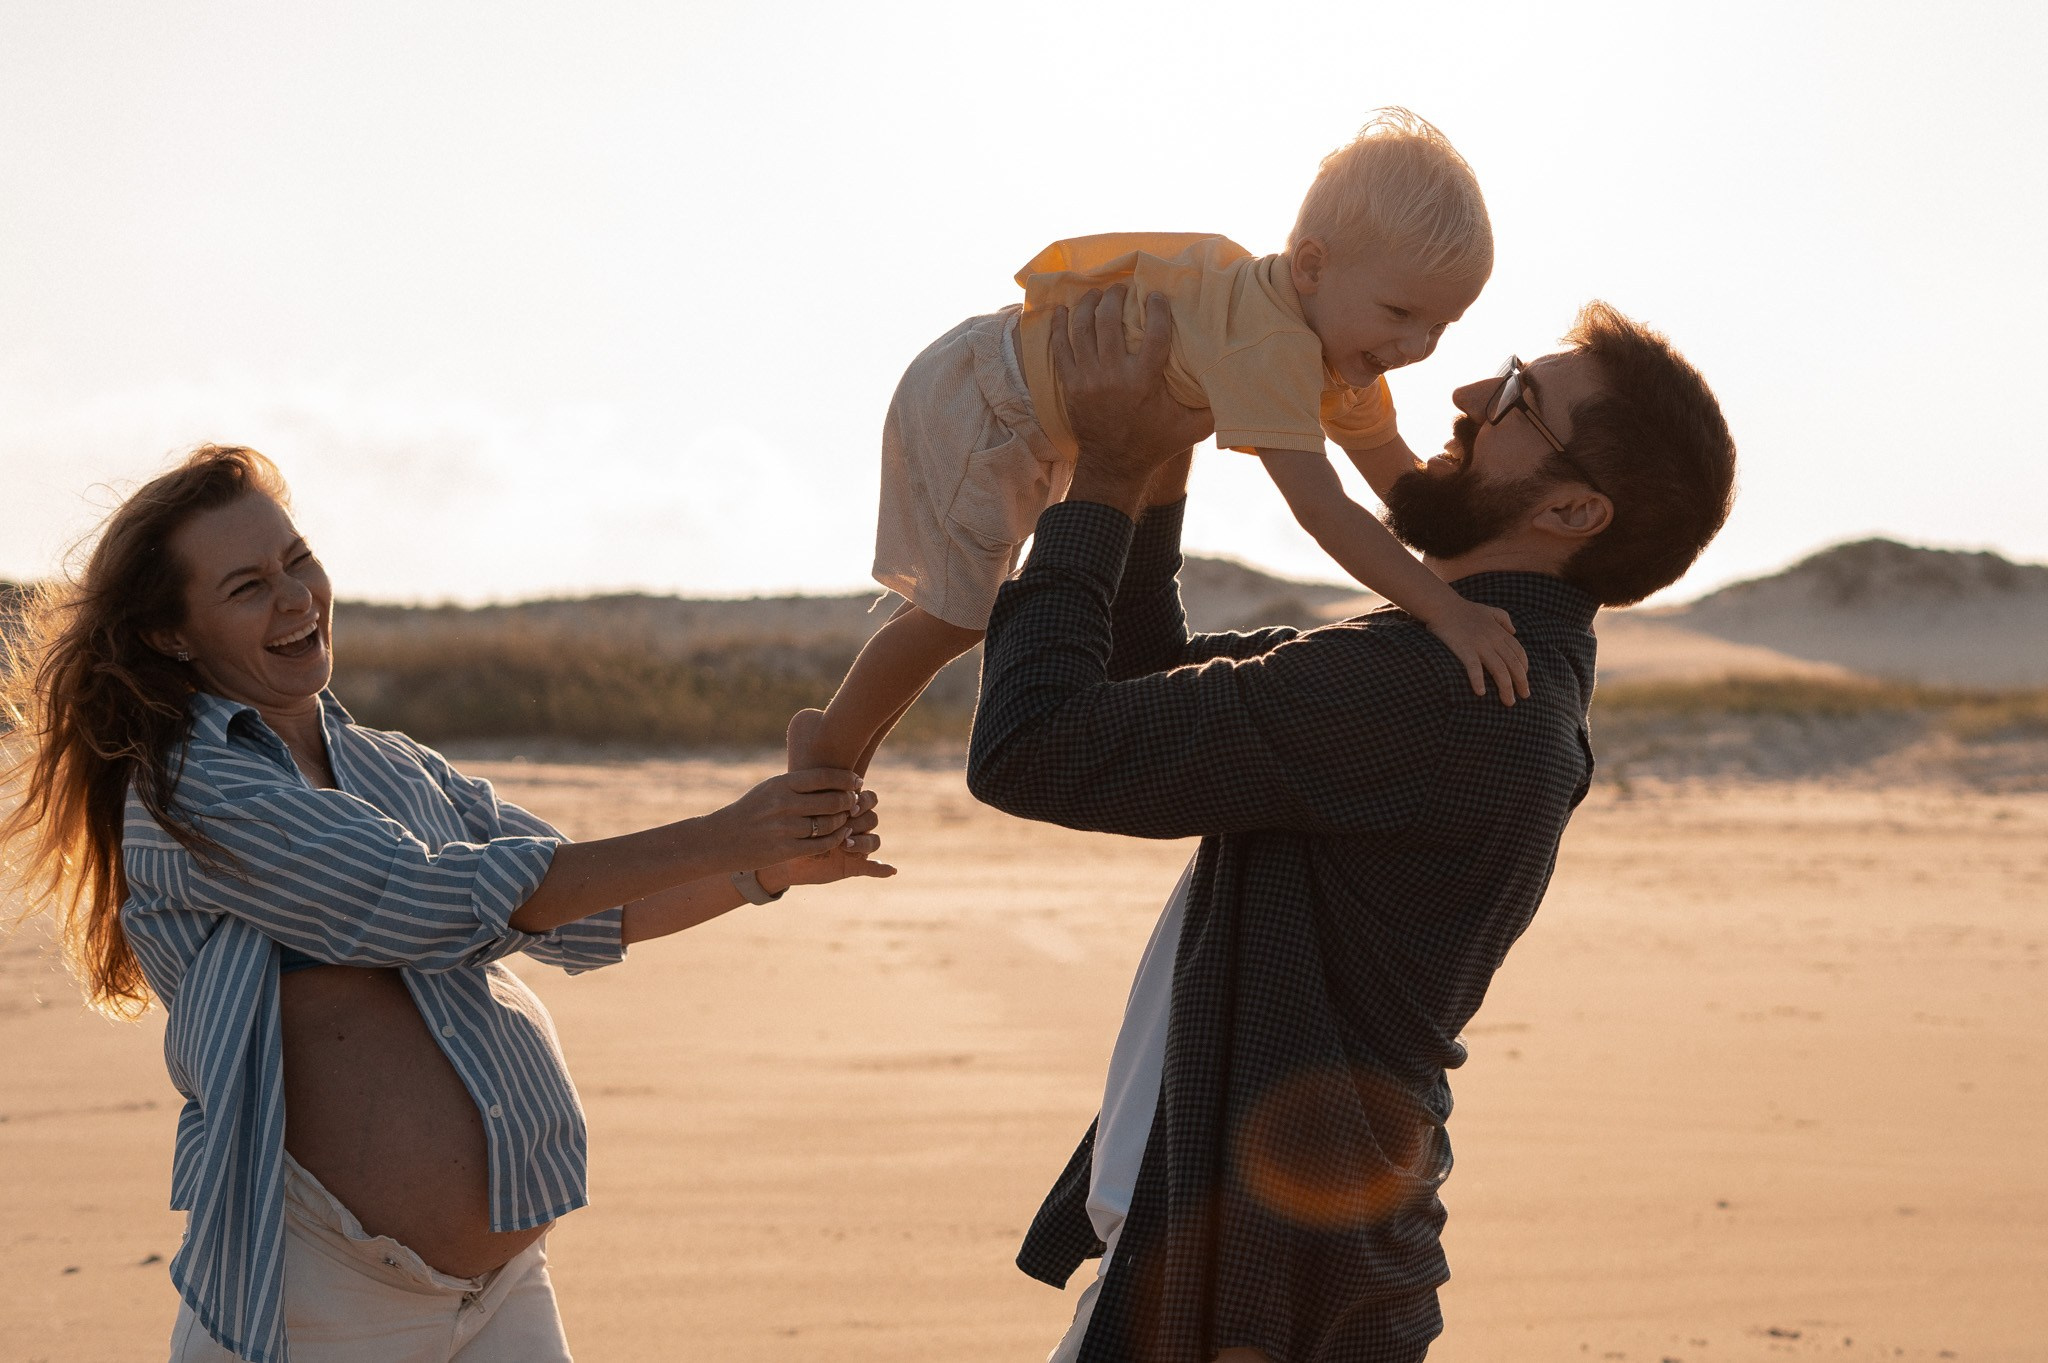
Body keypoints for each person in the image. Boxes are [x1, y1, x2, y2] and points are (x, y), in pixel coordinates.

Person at [967, 286, 1737, 1363]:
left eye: (1517, 398)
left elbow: (1034, 744)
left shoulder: (1430, 690)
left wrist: (1099, 470)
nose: (1466, 393)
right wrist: (1158, 454)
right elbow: (1141, 685)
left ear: (1571, 511)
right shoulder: (1464, 669)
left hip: (1254, 1306)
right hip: (1283, 1290)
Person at [0, 446, 894, 1363]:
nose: (297, 597)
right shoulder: (191, 792)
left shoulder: (393, 764)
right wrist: (726, 834)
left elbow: (589, 905)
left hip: (502, 1293)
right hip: (319, 1298)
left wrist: (771, 864)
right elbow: (419, 900)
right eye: (247, 586)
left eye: (298, 560)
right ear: (171, 635)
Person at [787, 109, 1527, 780]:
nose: (1416, 345)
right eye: (1400, 312)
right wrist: (1444, 611)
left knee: (964, 609)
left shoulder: (1342, 353)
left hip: (1035, 419)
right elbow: (1322, 507)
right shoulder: (1273, 339)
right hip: (987, 395)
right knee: (959, 614)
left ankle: (842, 759)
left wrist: (1483, 542)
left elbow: (1400, 484)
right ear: (1310, 265)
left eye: (1441, 326)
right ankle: (829, 744)